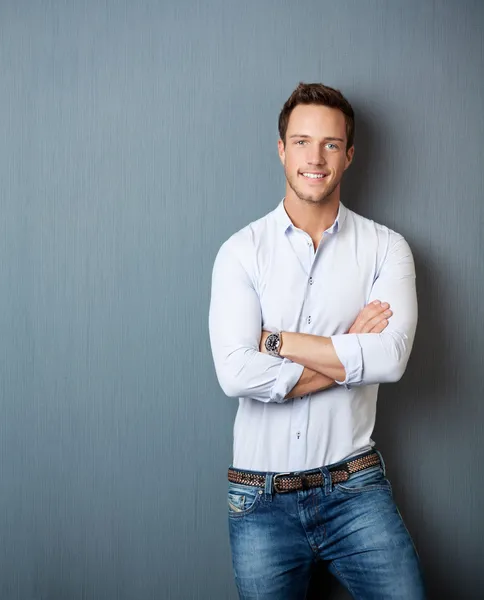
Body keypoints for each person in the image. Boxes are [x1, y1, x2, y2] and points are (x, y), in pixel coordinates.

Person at [208, 82, 426, 599]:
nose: (315, 157)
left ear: (349, 155)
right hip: (259, 497)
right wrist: (349, 348)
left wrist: (277, 341)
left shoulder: (386, 249)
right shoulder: (241, 252)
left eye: (330, 144)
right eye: (302, 142)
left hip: (355, 488)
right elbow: (235, 373)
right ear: (281, 150)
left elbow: (390, 359)